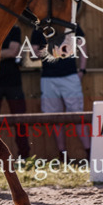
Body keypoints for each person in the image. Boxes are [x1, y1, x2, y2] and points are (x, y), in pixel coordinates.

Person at [32, 24, 90, 158]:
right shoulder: (39, 28)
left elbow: (82, 46)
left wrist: (82, 70)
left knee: (78, 116)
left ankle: (90, 153)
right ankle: (63, 156)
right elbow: (33, 54)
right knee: (54, 118)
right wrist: (53, 48)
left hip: (70, 76)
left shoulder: (71, 24)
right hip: (48, 78)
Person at [0, 25, 31, 158]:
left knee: (20, 120)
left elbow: (13, 52)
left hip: (13, 83)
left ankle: (25, 156)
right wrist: (2, 53)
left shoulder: (15, 29)